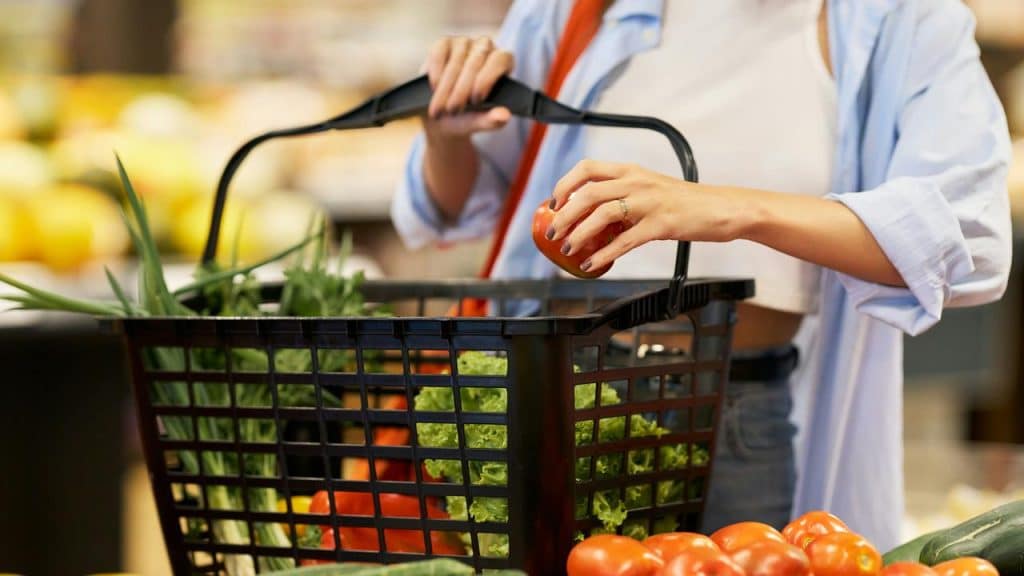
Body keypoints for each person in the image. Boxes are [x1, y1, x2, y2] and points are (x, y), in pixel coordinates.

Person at [391, 0, 1013, 550]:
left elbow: (966, 236)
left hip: (733, 416)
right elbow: (457, 209)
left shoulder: (904, 20)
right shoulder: (579, 8)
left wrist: (732, 209)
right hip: (557, 402)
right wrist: (447, 132)